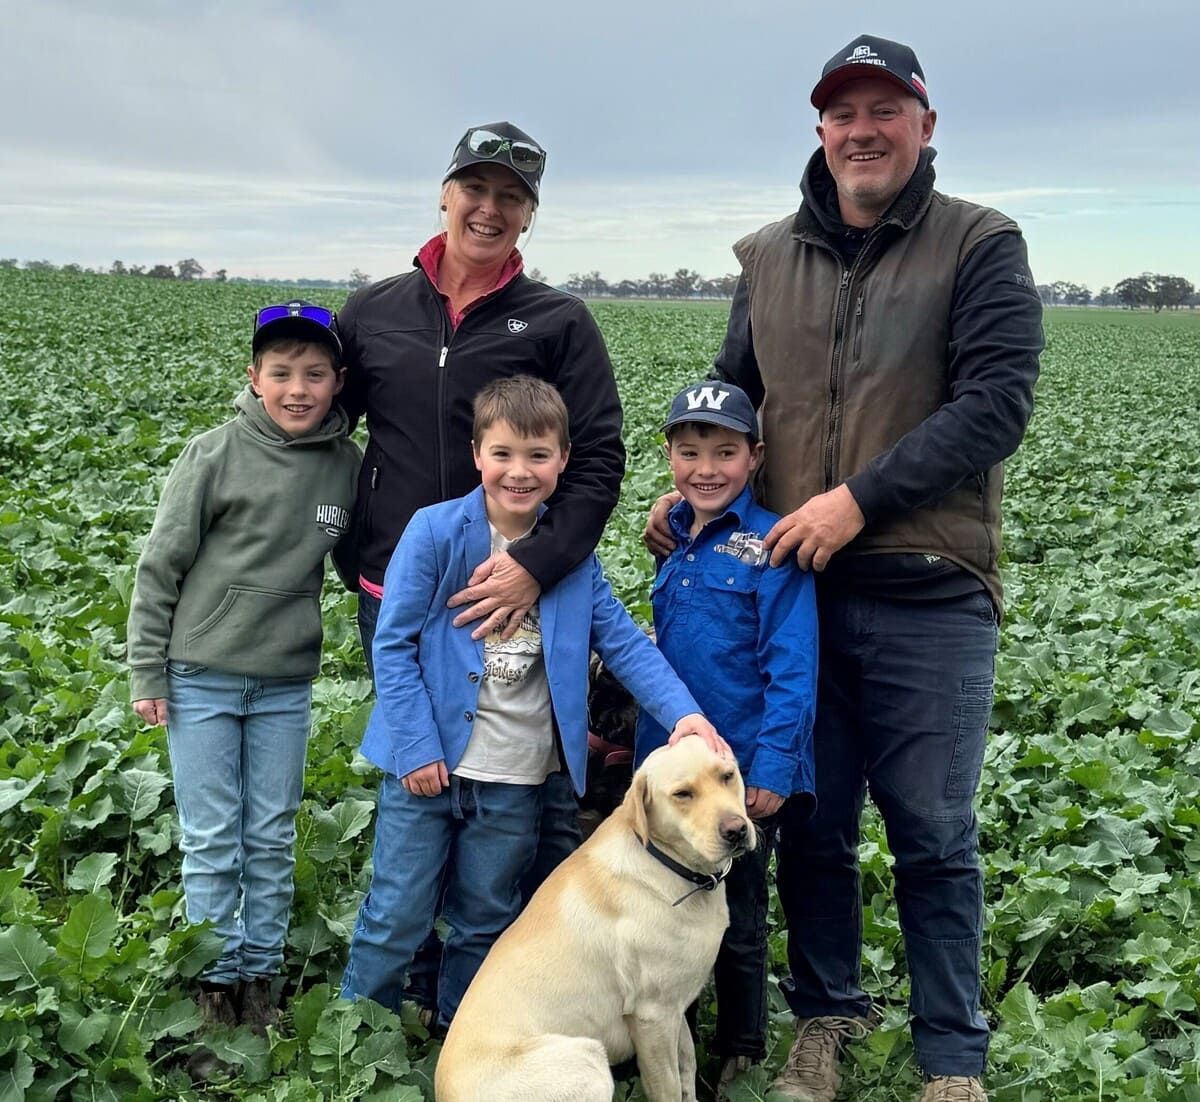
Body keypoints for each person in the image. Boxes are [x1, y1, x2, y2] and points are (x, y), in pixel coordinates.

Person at [645, 34, 1043, 1102]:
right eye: (842, 114)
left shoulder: (979, 243)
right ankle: (825, 1016)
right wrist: (689, 495)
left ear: (924, 125)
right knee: (808, 817)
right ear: (820, 130)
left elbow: (996, 403)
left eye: (884, 111)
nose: (861, 132)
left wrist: (857, 498)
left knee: (932, 827)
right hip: (798, 593)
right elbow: (732, 399)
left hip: (929, 584)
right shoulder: (768, 255)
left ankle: (951, 1054)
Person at [334, 122, 625, 1011]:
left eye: (511, 196)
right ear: (445, 194)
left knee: (502, 797)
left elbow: (600, 456)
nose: (489, 209)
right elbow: (313, 429)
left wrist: (536, 564)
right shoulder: (372, 311)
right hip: (395, 592)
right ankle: (397, 991)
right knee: (418, 783)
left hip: (513, 595)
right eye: (476, 188)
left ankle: (478, 996)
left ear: (528, 215)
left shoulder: (559, 320)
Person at [341, 375, 726, 1026]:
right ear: (477, 455)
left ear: (563, 461)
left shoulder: (567, 555)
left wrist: (685, 714)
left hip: (516, 777)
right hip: (426, 771)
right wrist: (415, 745)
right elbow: (393, 645)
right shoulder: (434, 533)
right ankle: (354, 1044)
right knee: (396, 913)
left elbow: (626, 644)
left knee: (485, 917)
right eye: (503, 454)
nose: (519, 472)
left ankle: (464, 1042)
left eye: (538, 456)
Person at [126, 302, 360, 1074]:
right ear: (254, 377)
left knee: (269, 833)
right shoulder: (214, 453)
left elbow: (375, 553)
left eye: (315, 374)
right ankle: (211, 986)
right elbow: (160, 567)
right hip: (201, 676)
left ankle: (257, 978)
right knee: (210, 839)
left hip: (286, 683)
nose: (298, 389)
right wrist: (147, 670)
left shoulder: (345, 465)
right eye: (282, 373)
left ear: (337, 383)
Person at [634, 381, 818, 1100]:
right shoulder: (672, 534)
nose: (705, 468)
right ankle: (669, 1031)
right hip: (667, 773)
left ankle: (740, 1045)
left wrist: (770, 767)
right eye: (688, 452)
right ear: (671, 458)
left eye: (724, 452)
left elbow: (792, 668)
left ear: (755, 456)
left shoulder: (771, 547)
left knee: (738, 916)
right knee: (666, 903)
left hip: (733, 776)